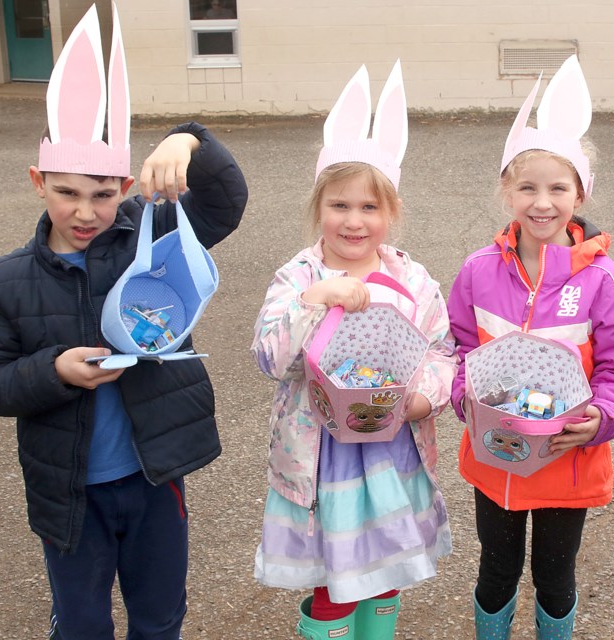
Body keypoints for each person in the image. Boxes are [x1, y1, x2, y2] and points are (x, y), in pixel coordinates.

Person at [0, 6, 247, 639]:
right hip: (69, 493)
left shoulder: (150, 231)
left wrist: (189, 138)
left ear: (125, 185)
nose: (86, 211)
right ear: (38, 182)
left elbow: (224, 205)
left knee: (159, 615)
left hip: (152, 478)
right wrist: (52, 371)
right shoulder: (5, 280)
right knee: (83, 622)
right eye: (67, 192)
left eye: (103, 192)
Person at [447, 54, 614, 639]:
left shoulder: (603, 279)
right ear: (506, 192)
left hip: (569, 458)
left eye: (558, 188)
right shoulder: (478, 271)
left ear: (579, 193)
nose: (542, 202)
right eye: (527, 187)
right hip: (495, 458)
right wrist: (467, 399)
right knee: (496, 568)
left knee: (556, 575)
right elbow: (461, 348)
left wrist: (602, 417)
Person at [250, 60, 455, 640]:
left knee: (385, 570)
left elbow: (444, 352)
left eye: (370, 207)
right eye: (340, 205)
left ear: (391, 213)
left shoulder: (413, 281)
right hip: (323, 460)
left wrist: (422, 399)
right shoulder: (299, 275)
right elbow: (269, 357)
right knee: (333, 577)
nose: (354, 220)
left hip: (391, 452)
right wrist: (318, 297)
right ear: (319, 208)